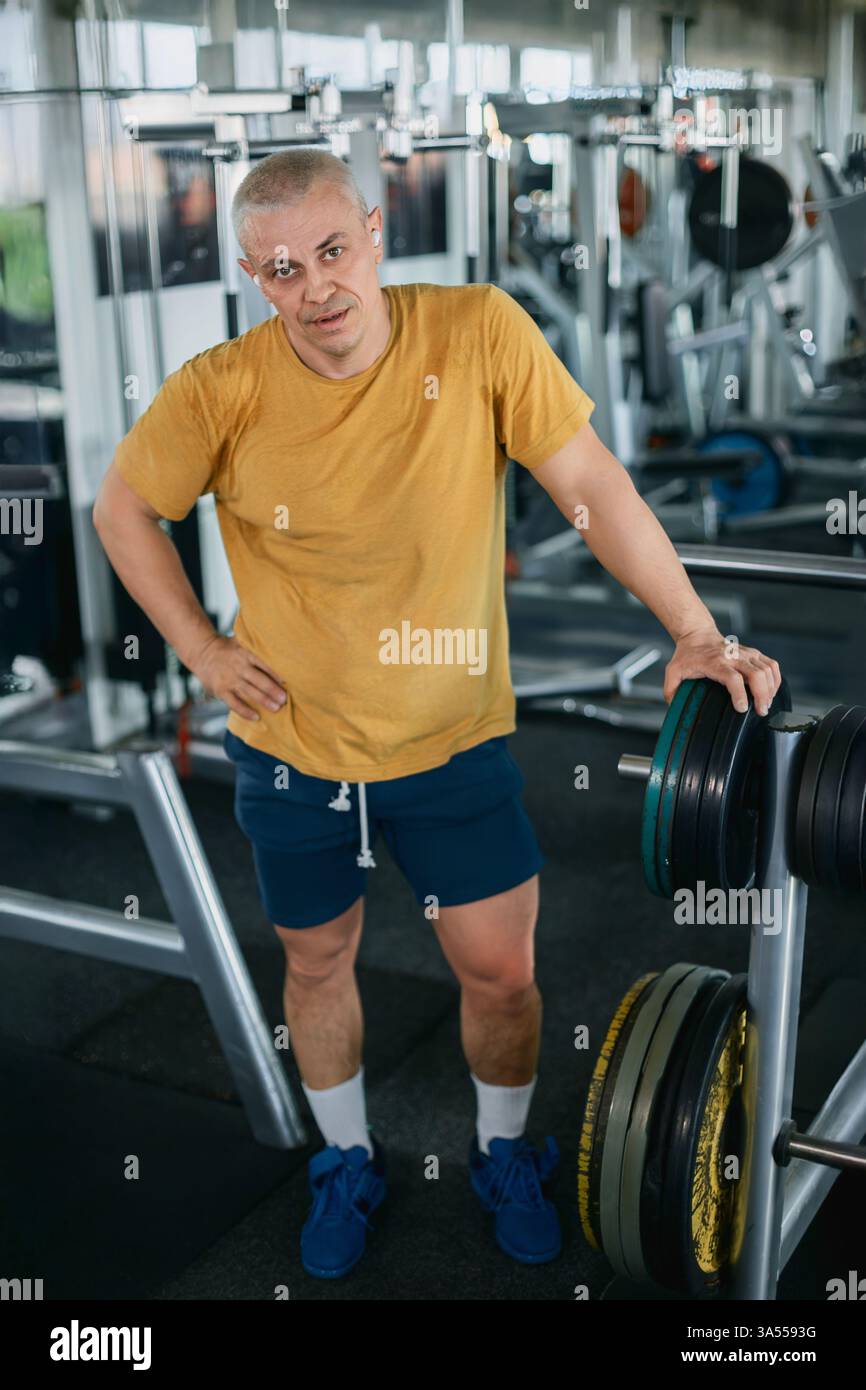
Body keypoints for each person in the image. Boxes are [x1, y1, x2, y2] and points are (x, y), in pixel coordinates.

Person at [93, 148, 783, 1281]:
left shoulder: (475, 332)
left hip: (451, 741)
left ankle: (503, 1150)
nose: (315, 287)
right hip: (292, 753)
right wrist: (201, 648)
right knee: (316, 967)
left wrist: (692, 630)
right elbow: (122, 507)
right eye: (280, 268)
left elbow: (590, 484)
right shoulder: (219, 386)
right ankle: (347, 1157)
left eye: (330, 250)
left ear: (373, 231)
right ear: (251, 276)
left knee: (500, 975)